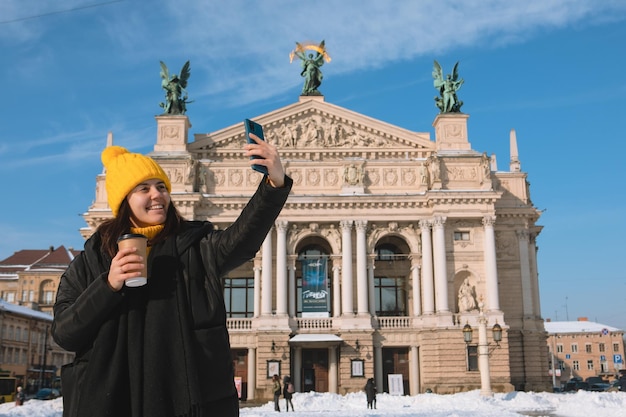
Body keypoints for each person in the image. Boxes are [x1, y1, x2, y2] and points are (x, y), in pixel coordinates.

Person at [52, 131, 292, 417]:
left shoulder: (195, 246)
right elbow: (65, 334)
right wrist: (108, 284)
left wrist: (274, 185)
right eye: (144, 189)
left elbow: (241, 242)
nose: (157, 195)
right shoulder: (90, 261)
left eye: (161, 187)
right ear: (123, 200)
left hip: (184, 399)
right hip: (113, 402)